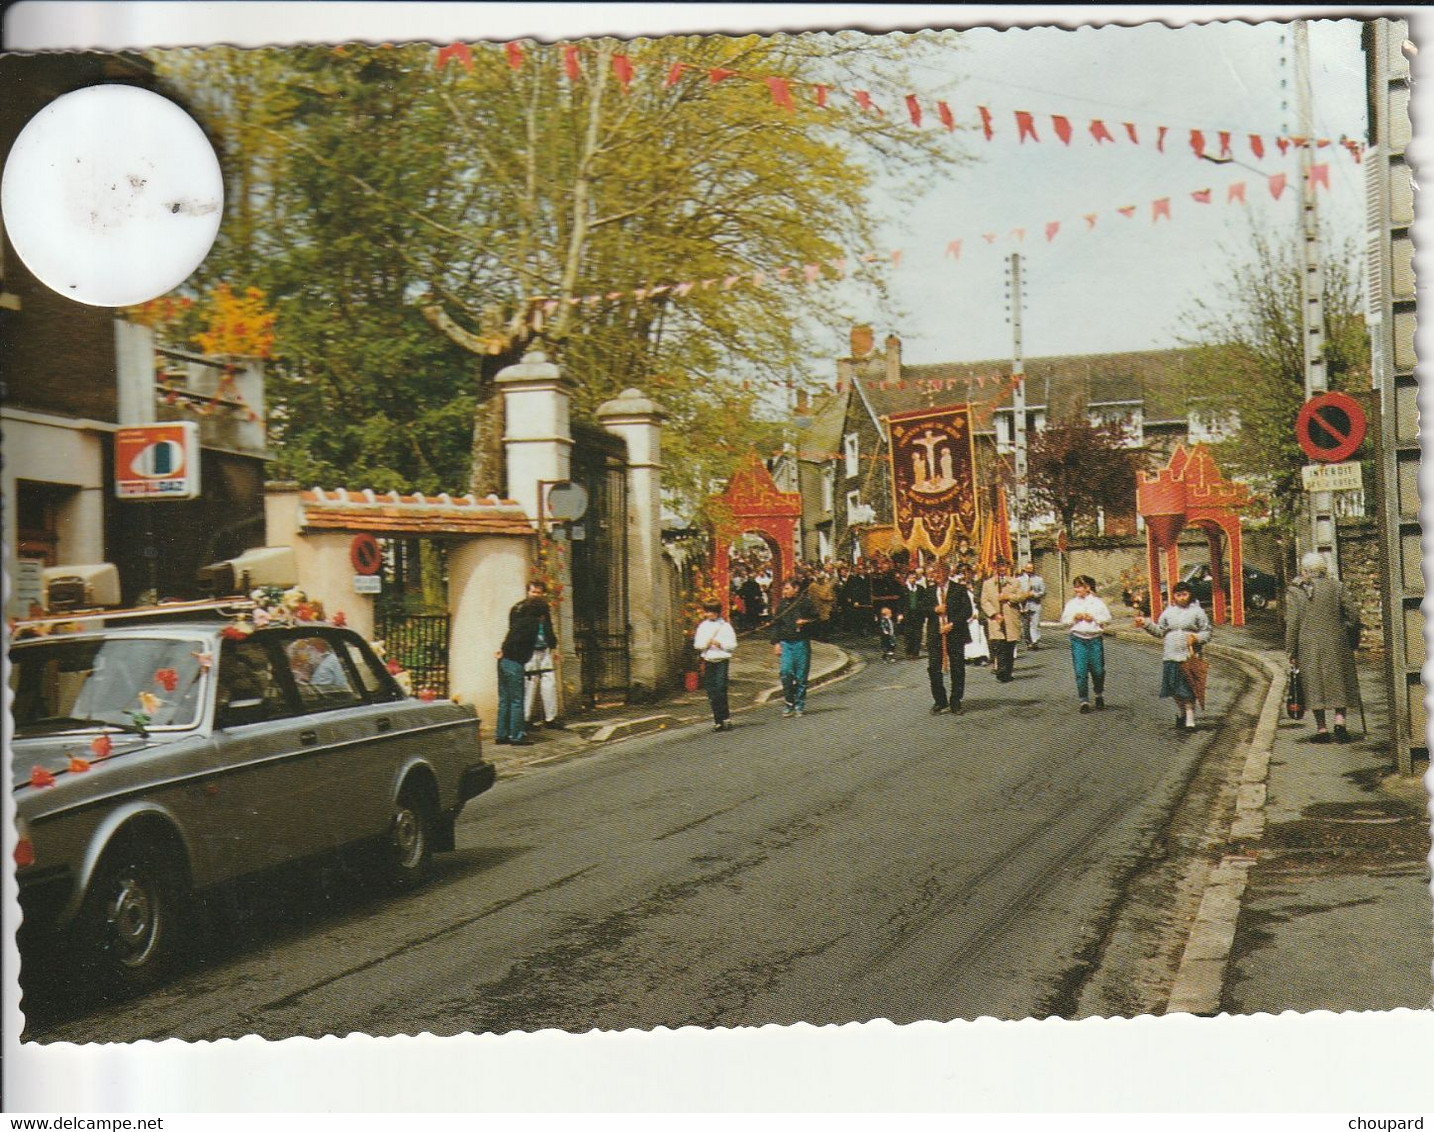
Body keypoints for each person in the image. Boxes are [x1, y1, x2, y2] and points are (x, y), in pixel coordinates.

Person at [1285, 551, 1363, 743]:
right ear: (1323, 569)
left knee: (1313, 684)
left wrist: (1291, 651)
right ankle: (1340, 722)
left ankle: (1321, 730)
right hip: (1337, 643)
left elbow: (1292, 624)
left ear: (1304, 571)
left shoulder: (1295, 592)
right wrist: (1349, 638)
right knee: (1339, 681)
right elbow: (1353, 617)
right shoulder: (1337, 587)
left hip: (1307, 644)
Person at [1134, 580, 1212, 733]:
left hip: (1188, 656)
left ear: (1190, 595)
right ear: (1174, 596)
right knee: (1174, 689)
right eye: (1178, 595)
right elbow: (1160, 631)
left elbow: (1207, 632)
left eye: (1184, 594)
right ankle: (1183, 712)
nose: (1182, 598)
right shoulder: (1168, 612)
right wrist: (1146, 624)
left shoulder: (1197, 612)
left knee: (1188, 689)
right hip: (1170, 655)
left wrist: (1197, 638)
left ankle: (1190, 718)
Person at [495, 581, 556, 746]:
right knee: (517, 700)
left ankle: (501, 735)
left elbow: (511, 636)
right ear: (540, 613)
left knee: (504, 699)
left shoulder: (520, 618)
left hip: (504, 659)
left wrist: (503, 651)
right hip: (515, 661)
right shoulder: (533, 624)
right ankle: (517, 735)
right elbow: (523, 643)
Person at [918, 561, 973, 713]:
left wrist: (952, 624)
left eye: (941, 573)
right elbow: (921, 609)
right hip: (936, 635)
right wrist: (935, 609)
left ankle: (955, 700)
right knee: (934, 668)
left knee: (957, 668)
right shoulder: (929, 591)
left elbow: (967, 610)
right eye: (935, 573)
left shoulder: (959, 589)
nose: (938, 576)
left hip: (955, 634)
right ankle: (940, 700)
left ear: (948, 573)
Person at [1059, 574, 1113, 712]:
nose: (1076, 590)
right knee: (1080, 671)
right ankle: (1084, 700)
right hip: (1078, 639)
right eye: (1075, 587)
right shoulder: (1072, 604)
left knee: (1098, 671)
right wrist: (1074, 618)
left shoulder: (1097, 603)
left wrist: (1094, 618)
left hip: (1094, 639)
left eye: (1079, 587)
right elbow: (1064, 620)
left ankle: (1098, 693)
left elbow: (1107, 618)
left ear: (1087, 588)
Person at [768, 576, 819, 717]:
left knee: (801, 676)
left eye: (787, 588)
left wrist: (805, 622)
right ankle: (789, 701)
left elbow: (817, 620)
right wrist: (776, 643)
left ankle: (799, 704)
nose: (784, 592)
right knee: (785, 673)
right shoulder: (782, 605)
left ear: (796, 588)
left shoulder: (806, 603)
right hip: (786, 643)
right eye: (784, 588)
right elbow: (776, 624)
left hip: (801, 642)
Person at [521, 581, 562, 731]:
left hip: (544, 649)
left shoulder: (544, 609)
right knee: (530, 684)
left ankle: (550, 718)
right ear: (528, 592)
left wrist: (553, 645)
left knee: (549, 684)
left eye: (539, 593)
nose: (536, 595)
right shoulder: (522, 608)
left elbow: (549, 627)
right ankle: (525, 719)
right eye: (533, 592)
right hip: (529, 651)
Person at [693, 600, 737, 732]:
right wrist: (705, 644)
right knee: (711, 691)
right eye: (707, 612)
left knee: (720, 688)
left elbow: (733, 645)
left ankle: (725, 718)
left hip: (722, 659)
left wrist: (720, 644)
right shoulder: (703, 626)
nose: (709, 614)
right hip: (709, 659)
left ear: (717, 612)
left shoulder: (725, 626)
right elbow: (697, 645)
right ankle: (717, 720)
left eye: (712, 612)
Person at [980, 558, 1024, 683]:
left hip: (1010, 618)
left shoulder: (1015, 582)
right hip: (996, 619)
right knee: (999, 645)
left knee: (1010, 646)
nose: (1002, 569)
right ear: (994, 568)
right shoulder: (988, 584)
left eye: (1004, 566)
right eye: (999, 566)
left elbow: (1021, 596)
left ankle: (1008, 671)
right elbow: (984, 601)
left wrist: (1009, 597)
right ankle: (1001, 670)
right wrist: (993, 614)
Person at [958, 568, 990, 667]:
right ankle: (968, 657)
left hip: (977, 617)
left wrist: (977, 613)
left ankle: (981, 656)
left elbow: (978, 603)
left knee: (979, 637)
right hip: (967, 619)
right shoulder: (961, 594)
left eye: (968, 584)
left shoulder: (974, 592)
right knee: (969, 638)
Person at [1018, 561, 1048, 650]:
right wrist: (1022, 596)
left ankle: (1035, 642)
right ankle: (1028, 641)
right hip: (1024, 605)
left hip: (1035, 604)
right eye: (1028, 568)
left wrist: (1034, 594)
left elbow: (1043, 592)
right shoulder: (1019, 580)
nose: (1029, 570)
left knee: (1035, 624)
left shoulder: (1039, 579)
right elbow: (1016, 592)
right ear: (1024, 569)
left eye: (1031, 568)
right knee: (1025, 625)